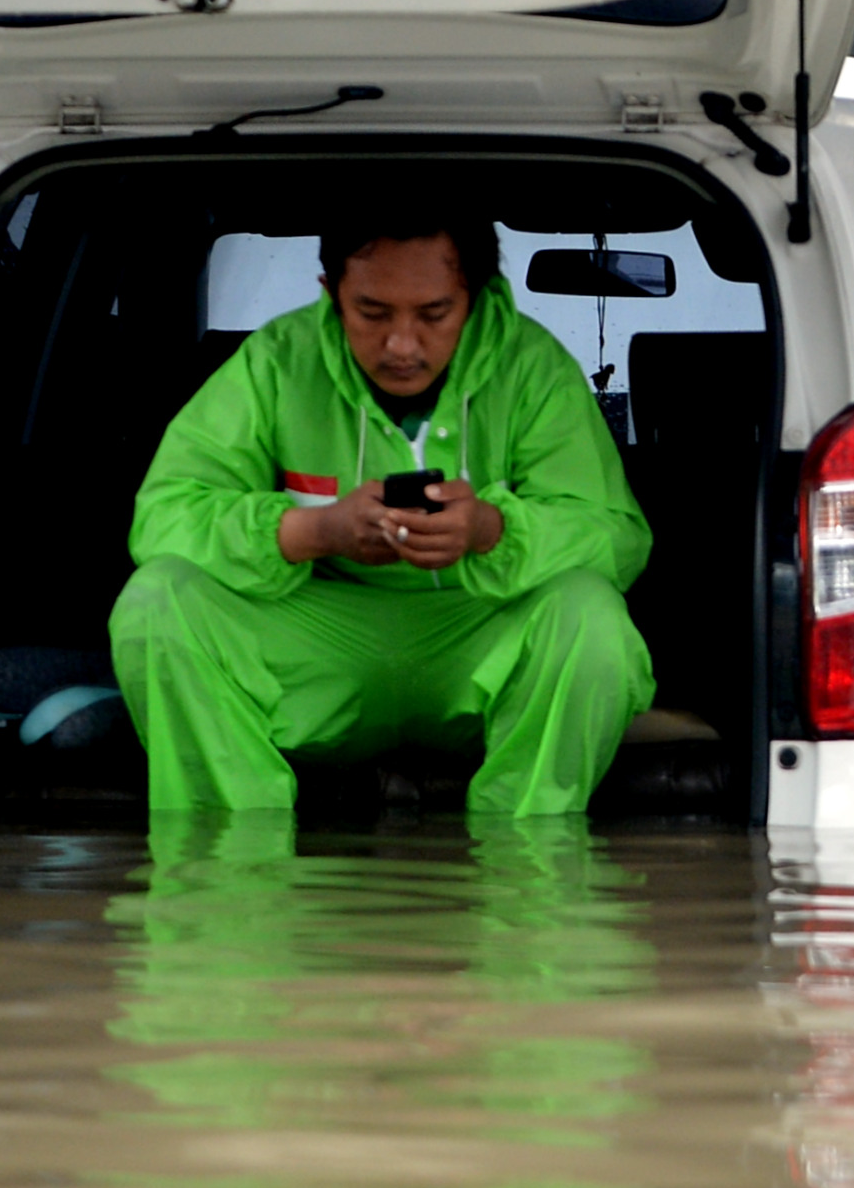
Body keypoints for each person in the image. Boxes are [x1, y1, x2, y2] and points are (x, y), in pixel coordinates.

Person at [109, 212, 653, 815]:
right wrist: (310, 531)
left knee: (590, 616)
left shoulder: (532, 366)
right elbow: (163, 516)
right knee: (157, 601)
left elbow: (616, 537)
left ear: (477, 296)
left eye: (434, 314)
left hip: (480, 643)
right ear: (330, 293)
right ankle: (232, 850)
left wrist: (492, 530)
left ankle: (528, 852)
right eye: (371, 313)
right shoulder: (277, 361)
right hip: (316, 648)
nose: (401, 345)